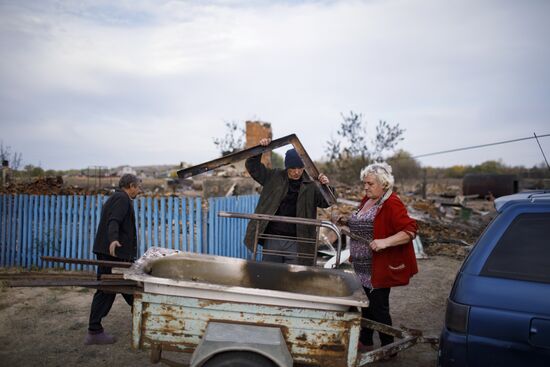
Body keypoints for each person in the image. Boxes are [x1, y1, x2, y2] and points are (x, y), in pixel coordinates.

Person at [346, 162, 417, 352]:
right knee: (365, 306)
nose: (366, 187)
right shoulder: (367, 200)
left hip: (378, 267)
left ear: (384, 184)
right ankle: (366, 340)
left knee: (379, 309)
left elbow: (410, 230)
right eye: (365, 183)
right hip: (362, 267)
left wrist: (385, 242)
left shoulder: (391, 202)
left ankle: (389, 346)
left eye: (370, 184)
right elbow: (364, 222)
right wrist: (345, 221)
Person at [244, 138, 334, 265]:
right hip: (272, 238)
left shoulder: (311, 185)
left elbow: (327, 202)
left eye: (300, 167)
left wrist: (325, 186)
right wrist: (260, 149)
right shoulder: (273, 177)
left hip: (298, 241)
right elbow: (253, 167)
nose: (297, 172)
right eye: (292, 168)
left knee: (294, 279)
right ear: (287, 167)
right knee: (270, 274)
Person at [84, 173, 142, 345]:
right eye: (138, 187)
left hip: (111, 252)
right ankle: (94, 331)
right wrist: (113, 239)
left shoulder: (116, 197)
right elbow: (114, 221)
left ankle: (143, 314)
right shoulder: (122, 199)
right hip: (113, 253)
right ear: (131, 186)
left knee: (125, 285)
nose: (139, 191)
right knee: (107, 289)